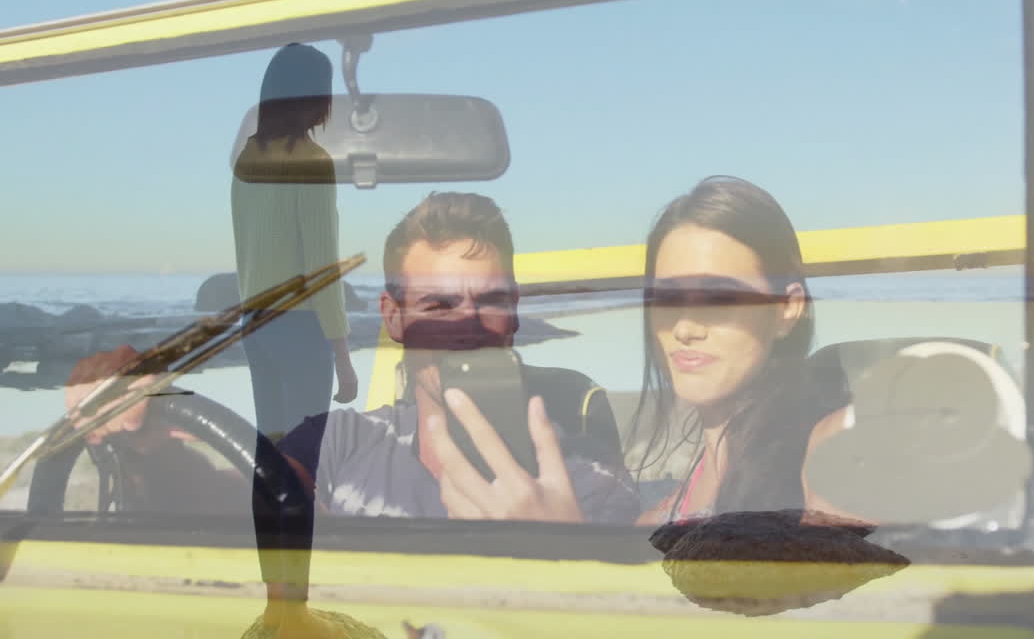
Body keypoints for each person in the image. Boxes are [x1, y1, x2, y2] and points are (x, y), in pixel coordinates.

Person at [67, 191, 639, 637]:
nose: (466, 328)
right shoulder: (336, 442)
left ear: (514, 314)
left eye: (489, 302)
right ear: (393, 319)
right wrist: (149, 446)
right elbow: (232, 516)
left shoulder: (584, 481)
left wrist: (568, 554)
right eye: (437, 305)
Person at [431, 176, 848, 524]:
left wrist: (562, 549)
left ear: (786, 309)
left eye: (719, 297)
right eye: (667, 299)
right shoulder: (659, 515)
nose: (685, 327)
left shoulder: (836, 450)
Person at [232, 42, 358, 442]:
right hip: (300, 326)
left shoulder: (247, 158)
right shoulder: (311, 160)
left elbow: (245, 249)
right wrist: (342, 356)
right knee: (303, 458)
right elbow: (322, 265)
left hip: (255, 323)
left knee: (270, 453)